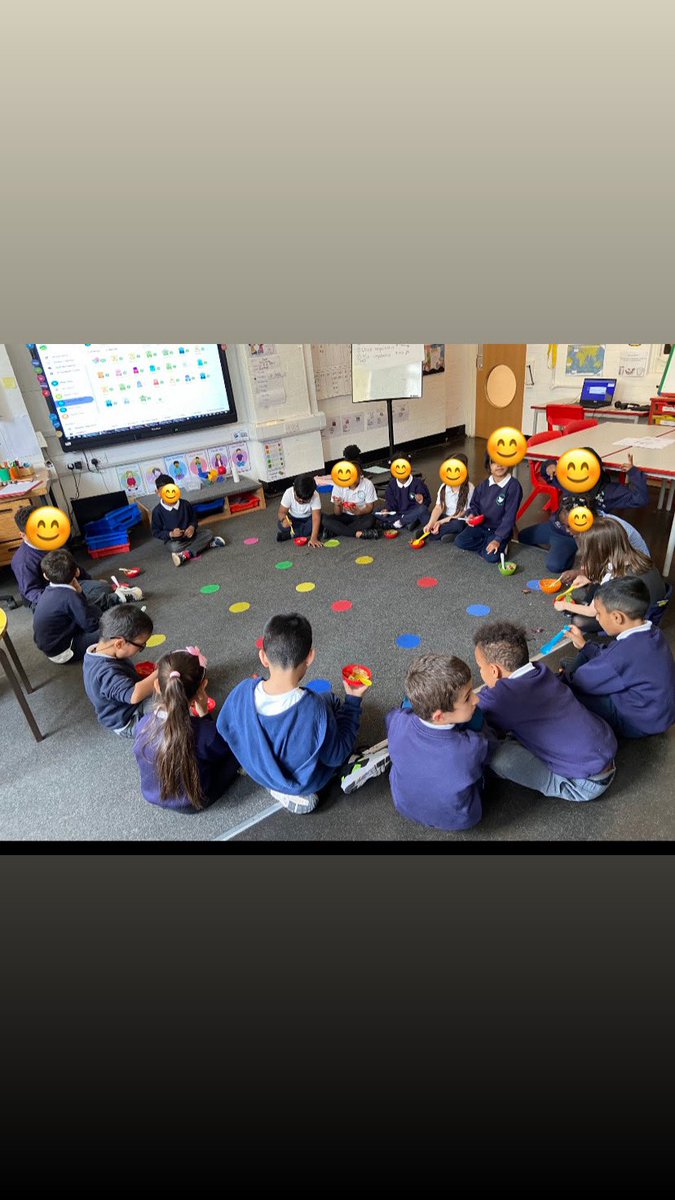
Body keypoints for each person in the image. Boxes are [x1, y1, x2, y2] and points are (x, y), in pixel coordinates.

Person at [217, 613, 388, 813]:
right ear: (310, 657)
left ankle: (277, 786)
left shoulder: (242, 691)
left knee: (329, 700)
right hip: (305, 781)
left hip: (262, 771)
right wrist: (353, 701)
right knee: (333, 728)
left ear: (263, 657)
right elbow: (335, 755)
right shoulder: (314, 709)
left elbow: (224, 727)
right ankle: (346, 770)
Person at [474, 621, 617, 802]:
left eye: (480, 667)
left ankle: (556, 782)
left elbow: (473, 711)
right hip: (606, 749)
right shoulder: (541, 671)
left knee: (498, 758)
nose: (480, 672)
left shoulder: (500, 699)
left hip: (585, 784)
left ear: (494, 670)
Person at [386, 652, 490, 831]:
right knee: (479, 722)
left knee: (406, 706)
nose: (476, 699)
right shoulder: (472, 747)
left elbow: (392, 717)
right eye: (467, 698)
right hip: (460, 820)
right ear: (440, 716)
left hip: (403, 806)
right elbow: (483, 752)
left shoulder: (397, 720)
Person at [562, 577, 675, 738]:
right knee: (587, 655)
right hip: (659, 712)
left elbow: (582, 683)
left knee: (570, 691)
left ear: (617, 617)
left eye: (599, 613)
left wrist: (565, 678)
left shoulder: (618, 657)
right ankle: (577, 665)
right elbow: (612, 657)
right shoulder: (654, 632)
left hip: (638, 722)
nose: (597, 618)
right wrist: (585, 646)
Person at [134, 648, 239, 811]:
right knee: (237, 747)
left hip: (157, 796)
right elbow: (220, 748)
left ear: (157, 686)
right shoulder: (206, 733)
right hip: (195, 801)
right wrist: (205, 715)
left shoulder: (142, 724)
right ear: (203, 687)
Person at [553, 518, 667, 634]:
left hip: (641, 617)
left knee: (579, 621)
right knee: (596, 584)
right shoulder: (636, 556)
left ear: (599, 551)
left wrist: (564, 605)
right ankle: (588, 602)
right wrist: (588, 579)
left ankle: (589, 608)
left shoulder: (615, 577)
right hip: (653, 606)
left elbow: (591, 612)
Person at [10, 506, 134, 611]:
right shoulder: (22, 561)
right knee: (69, 608)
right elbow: (32, 592)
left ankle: (90, 605)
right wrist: (64, 598)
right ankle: (110, 601)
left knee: (103, 588)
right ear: (23, 535)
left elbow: (72, 564)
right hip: (46, 596)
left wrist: (89, 581)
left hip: (69, 582)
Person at [519, 494, 650, 575]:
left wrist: (582, 574)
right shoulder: (586, 526)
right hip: (619, 562)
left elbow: (603, 565)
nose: (567, 530)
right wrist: (579, 572)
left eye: (569, 526)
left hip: (634, 568)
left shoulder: (603, 532)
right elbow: (590, 556)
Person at [83, 606, 159, 738]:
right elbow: (134, 696)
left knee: (165, 690)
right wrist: (162, 671)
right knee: (171, 704)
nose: (142, 649)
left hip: (126, 705)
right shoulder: (106, 672)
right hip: (129, 719)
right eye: (141, 646)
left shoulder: (96, 651)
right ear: (119, 644)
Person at [32, 549, 102, 664]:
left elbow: (82, 608)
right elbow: (90, 627)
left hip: (52, 645)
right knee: (110, 629)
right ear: (77, 572)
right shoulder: (70, 597)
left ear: (46, 576)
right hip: (65, 652)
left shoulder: (48, 590)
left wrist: (79, 592)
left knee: (94, 610)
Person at [454, 453, 523, 562]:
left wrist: (498, 539)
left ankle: (501, 545)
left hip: (498, 530)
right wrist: (471, 515)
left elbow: (509, 517)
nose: (499, 465)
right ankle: (487, 545)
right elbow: (474, 505)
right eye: (494, 462)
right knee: (460, 541)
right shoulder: (483, 485)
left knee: (492, 557)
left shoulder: (513, 486)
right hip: (481, 526)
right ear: (489, 466)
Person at [151, 474, 226, 567]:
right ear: (158, 493)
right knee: (174, 547)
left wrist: (192, 527)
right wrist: (171, 534)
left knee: (208, 533)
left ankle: (185, 554)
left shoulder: (185, 504)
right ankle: (207, 545)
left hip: (191, 537)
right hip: (175, 542)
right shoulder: (157, 511)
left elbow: (194, 519)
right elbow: (156, 532)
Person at [322, 445, 379, 540]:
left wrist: (359, 511)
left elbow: (370, 507)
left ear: (360, 473)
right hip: (344, 516)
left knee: (370, 520)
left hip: (361, 516)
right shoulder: (339, 485)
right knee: (325, 520)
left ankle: (336, 531)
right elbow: (337, 513)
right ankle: (358, 533)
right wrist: (338, 505)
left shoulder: (367, 484)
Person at [423, 453, 475, 543]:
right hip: (446, 517)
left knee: (458, 525)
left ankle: (433, 533)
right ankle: (439, 531)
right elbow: (439, 507)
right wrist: (430, 523)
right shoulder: (444, 487)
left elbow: (462, 513)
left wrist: (440, 522)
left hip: (459, 519)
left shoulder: (470, 488)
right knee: (427, 515)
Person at [375, 454, 431, 531]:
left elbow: (427, 501)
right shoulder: (392, 485)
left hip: (413, 511)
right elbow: (391, 503)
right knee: (375, 512)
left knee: (423, 510)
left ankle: (399, 523)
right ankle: (409, 521)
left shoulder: (417, 483)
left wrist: (421, 499)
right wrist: (387, 510)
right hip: (399, 513)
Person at [276, 472, 323, 547]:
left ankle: (291, 535)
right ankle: (304, 532)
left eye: (305, 500)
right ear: (294, 490)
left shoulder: (315, 495)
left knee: (320, 521)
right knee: (281, 524)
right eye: (298, 498)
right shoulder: (288, 493)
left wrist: (314, 538)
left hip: (309, 518)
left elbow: (315, 518)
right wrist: (284, 520)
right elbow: (281, 512)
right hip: (293, 519)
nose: (301, 501)